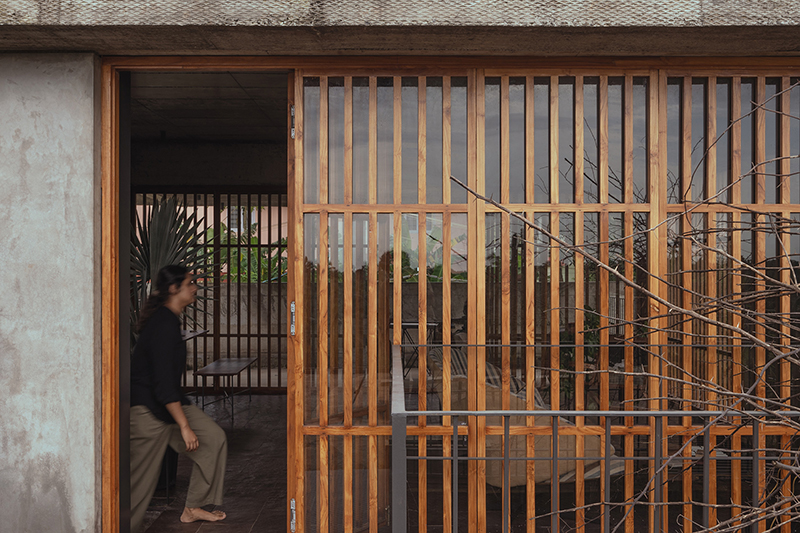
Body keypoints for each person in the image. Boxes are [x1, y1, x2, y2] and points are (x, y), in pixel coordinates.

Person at [129, 265, 227, 532]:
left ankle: (193, 507)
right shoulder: (163, 325)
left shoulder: (170, 320)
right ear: (174, 289)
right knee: (139, 485)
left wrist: (185, 421)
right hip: (148, 411)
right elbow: (162, 384)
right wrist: (184, 426)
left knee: (213, 438)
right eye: (190, 283)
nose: (195, 287)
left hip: (167, 403)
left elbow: (166, 384)